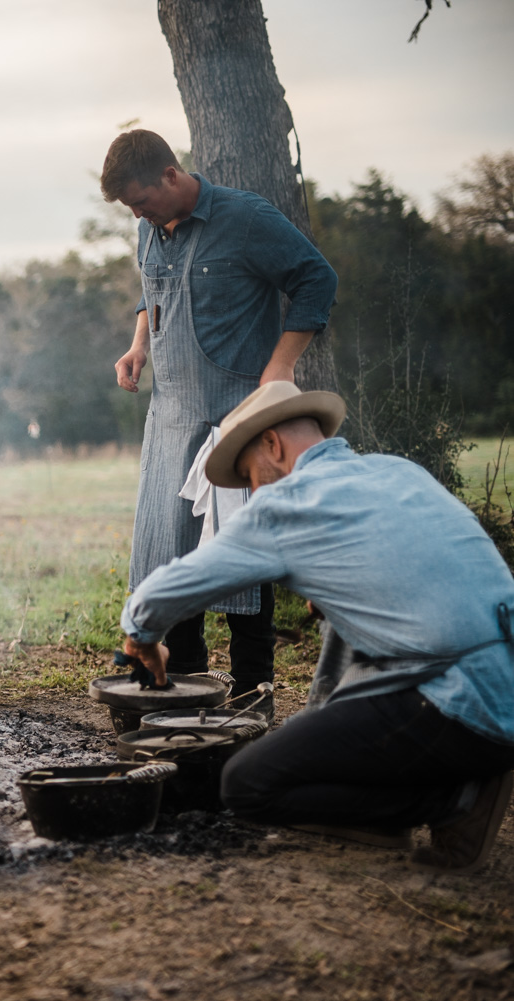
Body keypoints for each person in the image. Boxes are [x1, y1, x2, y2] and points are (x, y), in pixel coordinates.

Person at [121, 382, 514, 872]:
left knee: (247, 785)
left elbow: (169, 589)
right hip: (504, 679)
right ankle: (446, 778)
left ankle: (453, 800)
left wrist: (142, 636)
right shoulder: (398, 471)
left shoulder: (284, 504)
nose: (254, 493)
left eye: (249, 478)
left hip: (459, 705)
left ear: (272, 444)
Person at [101, 130, 339, 712]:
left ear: (171, 175)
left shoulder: (245, 218)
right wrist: (139, 345)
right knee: (171, 554)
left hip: (234, 418)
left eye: (143, 202)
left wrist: (280, 366)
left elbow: (316, 278)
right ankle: (181, 687)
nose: (139, 215)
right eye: (132, 209)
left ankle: (253, 692)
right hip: (170, 417)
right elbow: (149, 289)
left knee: (241, 554)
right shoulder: (148, 227)